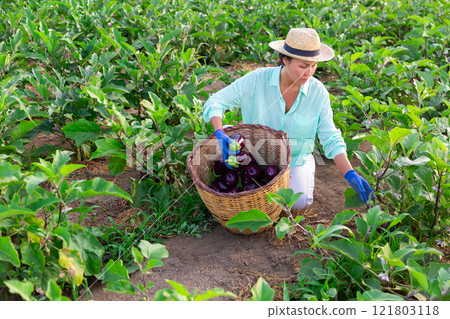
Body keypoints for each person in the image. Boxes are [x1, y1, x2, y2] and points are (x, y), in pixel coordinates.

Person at [203, 28, 372, 210]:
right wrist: (220, 133)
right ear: (285, 60)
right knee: (249, 189)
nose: (309, 72)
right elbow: (216, 101)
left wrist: (349, 172)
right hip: (254, 155)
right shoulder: (258, 80)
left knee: (298, 202)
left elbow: (330, 136)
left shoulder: (317, 92)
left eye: (313, 66)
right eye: (303, 66)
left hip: (296, 158)